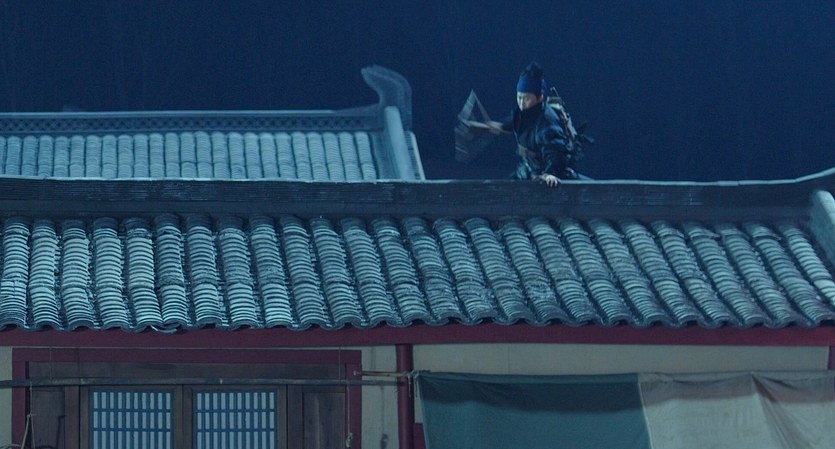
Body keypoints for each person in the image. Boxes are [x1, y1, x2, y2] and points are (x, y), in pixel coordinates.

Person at [489, 62, 580, 187]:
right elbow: (515, 121)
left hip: (550, 175)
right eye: (519, 97)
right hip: (530, 171)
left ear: (540, 97)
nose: (521, 102)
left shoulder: (547, 121)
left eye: (526, 98)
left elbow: (556, 153)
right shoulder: (525, 113)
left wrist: (549, 174)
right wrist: (497, 126)